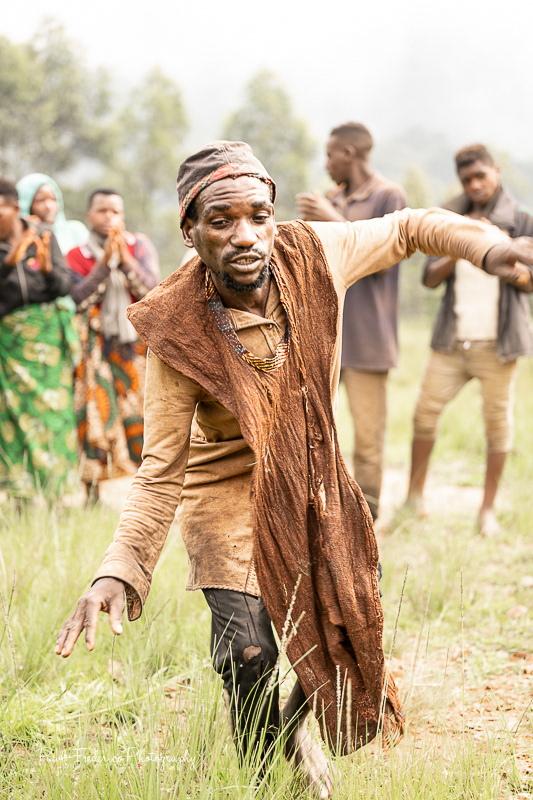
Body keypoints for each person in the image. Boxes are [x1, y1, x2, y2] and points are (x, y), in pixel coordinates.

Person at [55, 142, 533, 798]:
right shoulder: (174, 329)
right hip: (226, 495)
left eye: (259, 215)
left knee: (343, 625)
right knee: (247, 652)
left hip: (311, 478)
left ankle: (289, 731)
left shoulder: (313, 253)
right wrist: (118, 569)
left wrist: (489, 249)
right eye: (221, 221)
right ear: (190, 232)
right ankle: (261, 778)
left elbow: (409, 227)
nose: (245, 235)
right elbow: (161, 470)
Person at [405, 144, 533, 536]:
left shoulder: (521, 219)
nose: (475, 185)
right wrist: (463, 246)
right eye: (466, 180)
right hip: (452, 341)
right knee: (424, 414)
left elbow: (530, 281)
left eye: (481, 176)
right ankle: (414, 497)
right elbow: (428, 279)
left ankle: (486, 511)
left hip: (498, 344)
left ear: (496, 171)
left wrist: (505, 259)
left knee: (497, 425)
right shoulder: (450, 219)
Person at [296, 123, 406, 521]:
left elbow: (385, 259)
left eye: (330, 155)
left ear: (348, 154)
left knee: (368, 439)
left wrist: (332, 218)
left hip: (368, 340)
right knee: (312, 433)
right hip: (324, 337)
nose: (326, 164)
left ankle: (367, 521)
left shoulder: (388, 195)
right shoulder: (331, 198)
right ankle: (319, 515)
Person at [66, 188, 159, 501]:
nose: (109, 217)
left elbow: (153, 291)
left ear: (123, 216)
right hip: (94, 350)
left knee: (142, 415)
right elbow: (77, 299)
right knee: (93, 414)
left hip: (135, 348)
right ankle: (92, 491)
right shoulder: (77, 256)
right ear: (88, 216)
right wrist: (105, 263)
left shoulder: (139, 246)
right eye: (102, 211)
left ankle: (147, 491)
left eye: (115, 211)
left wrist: (125, 259)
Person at [0, 177, 79, 499]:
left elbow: (64, 286)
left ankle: (60, 493)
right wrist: (9, 262)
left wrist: (46, 269)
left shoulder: (43, 234)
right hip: (9, 341)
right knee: (12, 413)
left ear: (14, 207)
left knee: (54, 410)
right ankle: (21, 495)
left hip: (47, 339)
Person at [16, 173, 89, 254]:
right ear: (26, 205)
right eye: (41, 200)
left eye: (53, 199)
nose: (49, 206)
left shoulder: (76, 231)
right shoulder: (19, 239)